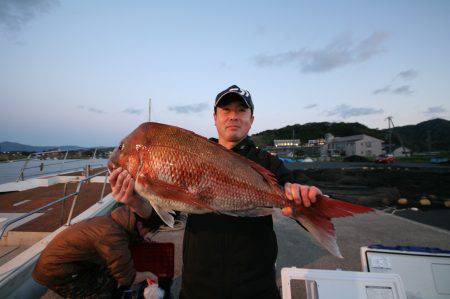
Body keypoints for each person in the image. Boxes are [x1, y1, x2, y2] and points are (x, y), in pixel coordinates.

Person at [109, 85, 322, 299]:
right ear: (215, 117)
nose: (233, 117)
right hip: (198, 286)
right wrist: (134, 202)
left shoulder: (267, 163)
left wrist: (304, 197)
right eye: (226, 110)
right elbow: (162, 219)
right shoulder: (195, 152)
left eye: (241, 110)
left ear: (252, 119)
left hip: (255, 287)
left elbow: (301, 192)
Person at [32, 206, 157, 298]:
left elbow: (124, 241)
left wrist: (141, 240)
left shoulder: (115, 222)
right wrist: (149, 275)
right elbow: (127, 278)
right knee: (99, 293)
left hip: (72, 263)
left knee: (111, 274)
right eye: (149, 231)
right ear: (140, 225)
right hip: (56, 272)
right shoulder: (111, 235)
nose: (148, 235)